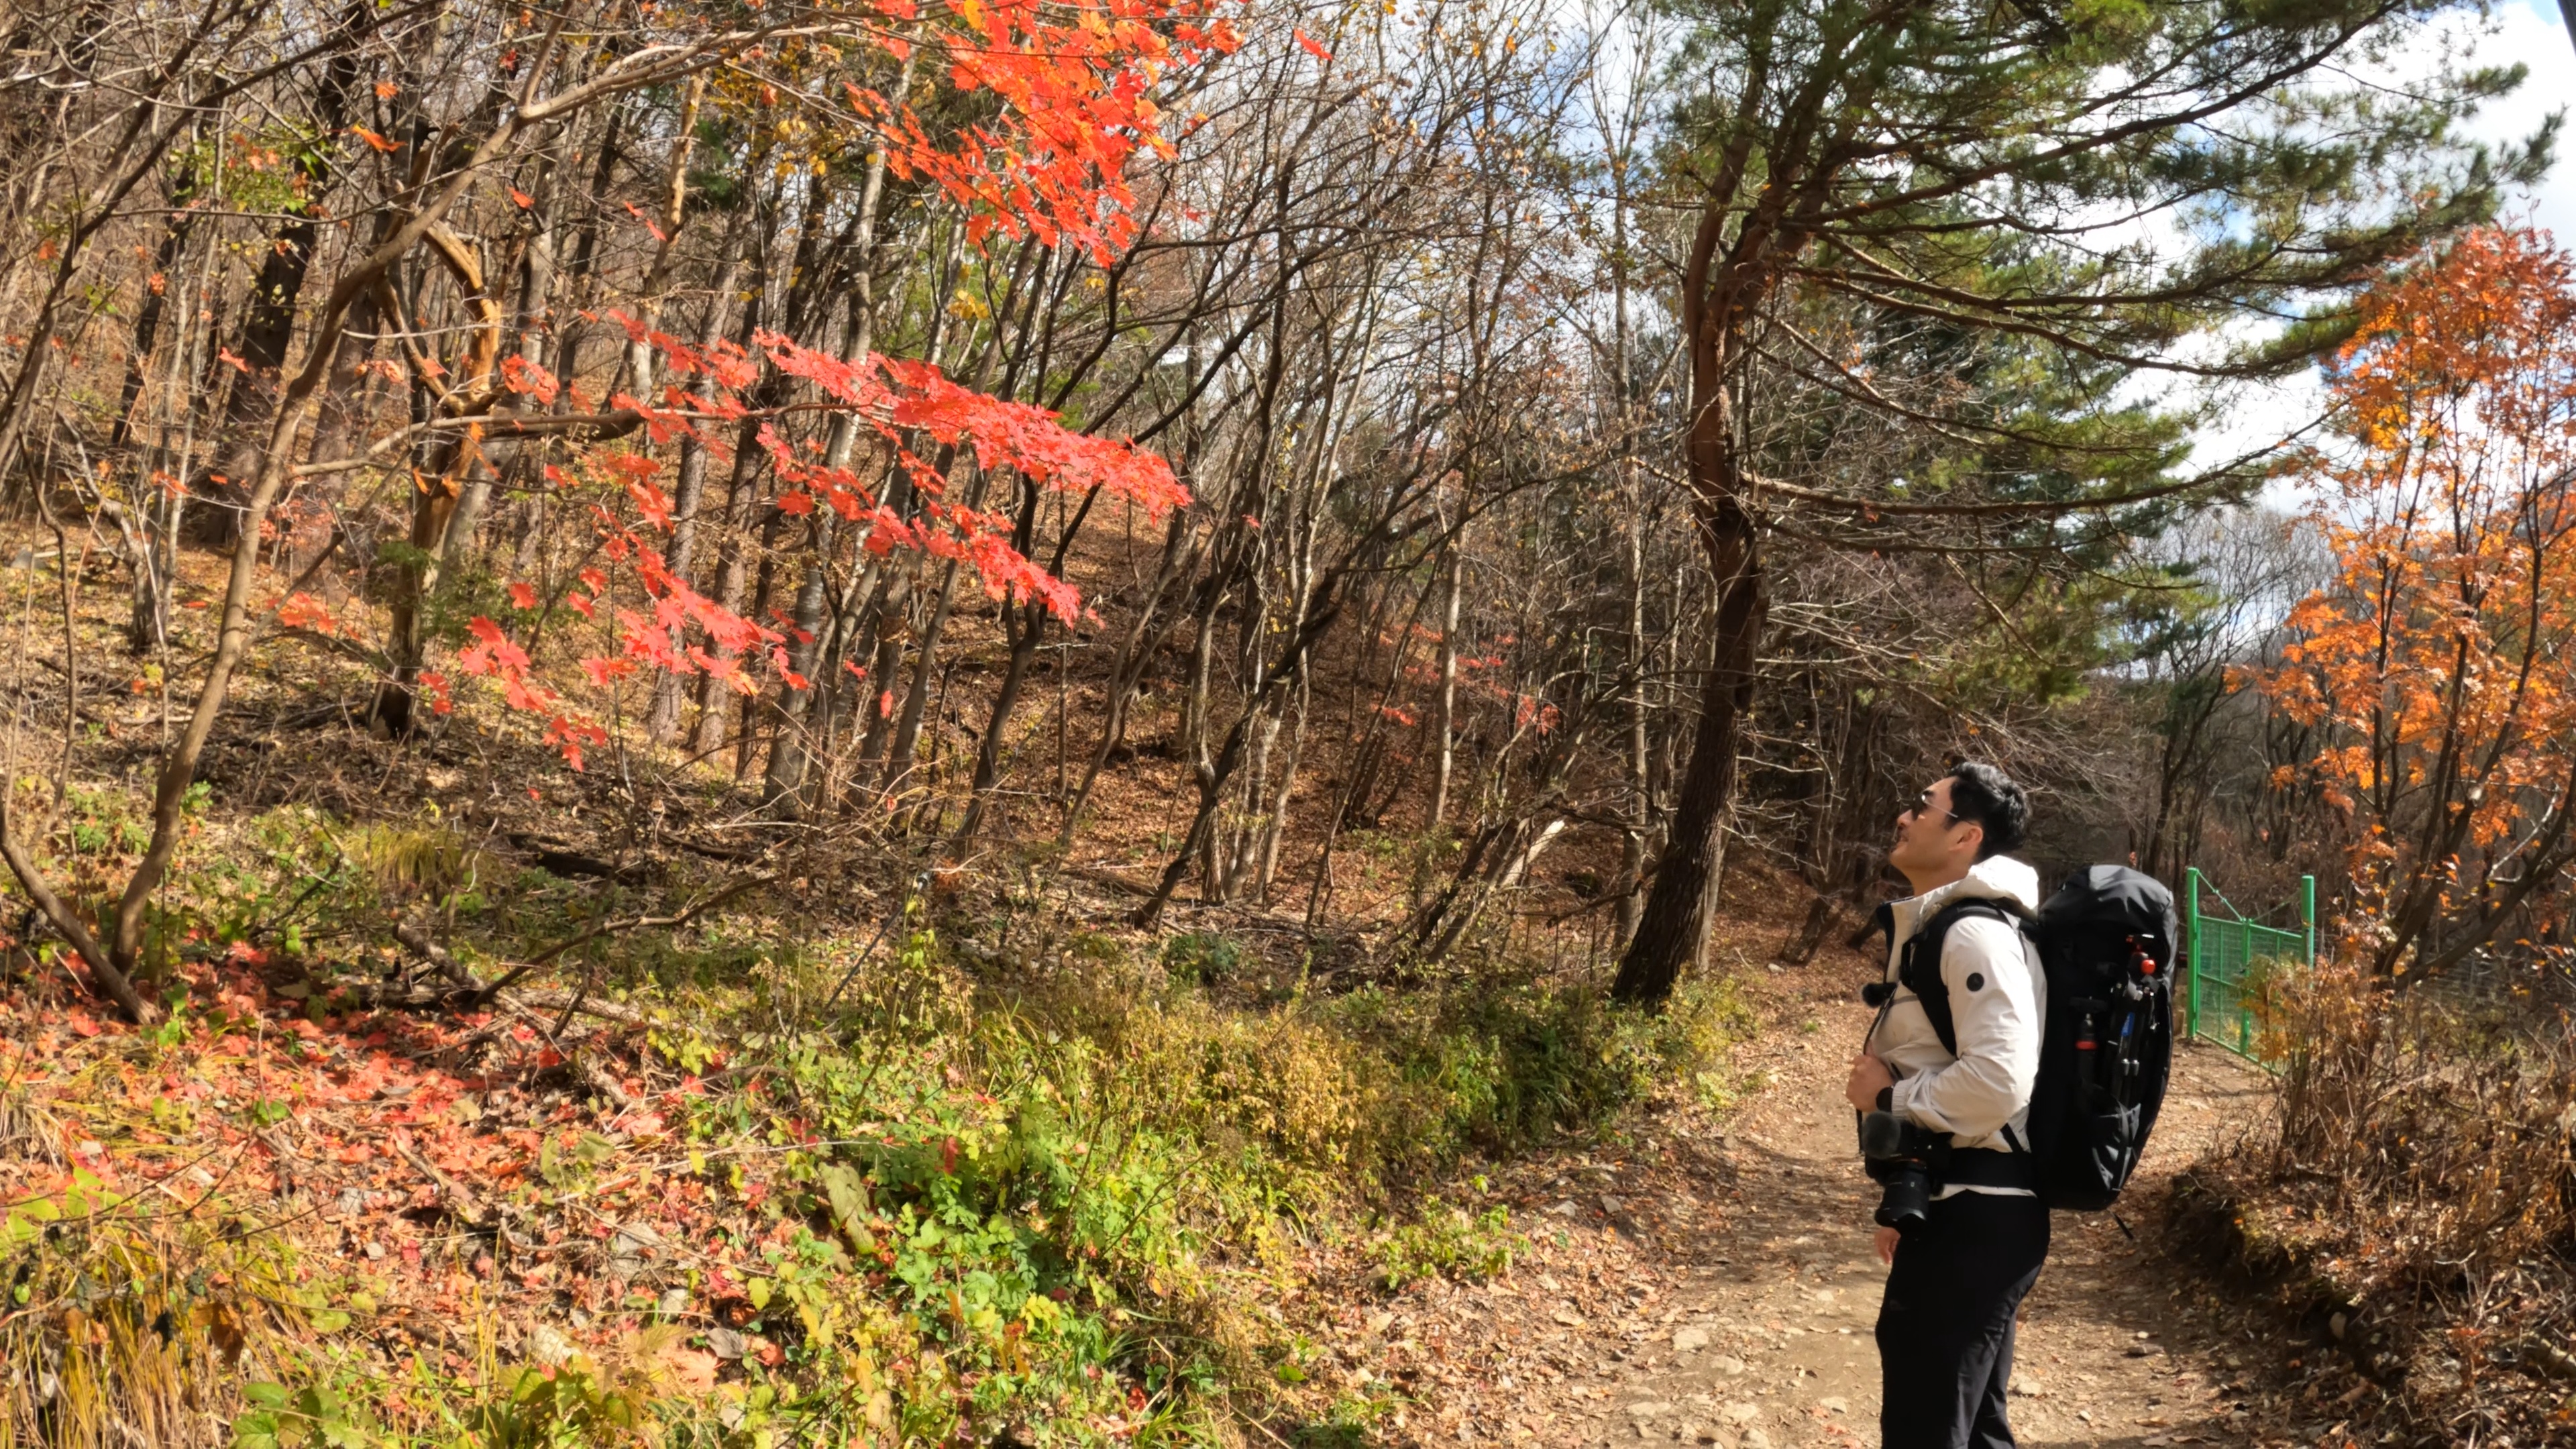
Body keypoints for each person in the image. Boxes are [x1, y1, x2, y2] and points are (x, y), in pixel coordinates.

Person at [1843, 763, 2047, 1449]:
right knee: (1974, 1428)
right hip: (1966, 1206)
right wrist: (1915, 1192)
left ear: (1966, 836)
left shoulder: (1973, 935)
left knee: (1926, 1429)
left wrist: (1887, 1096)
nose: (1904, 816)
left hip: (1976, 1218)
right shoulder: (1962, 927)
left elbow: (1999, 1083)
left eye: (1922, 805)